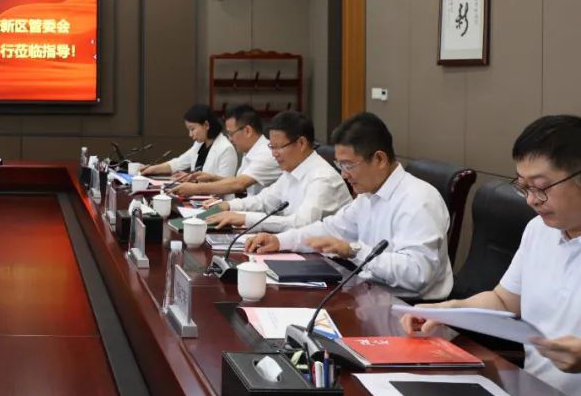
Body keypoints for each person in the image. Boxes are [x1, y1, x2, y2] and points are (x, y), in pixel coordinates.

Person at [402, 115, 581, 396]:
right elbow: (503, 301)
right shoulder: (538, 230)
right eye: (523, 187)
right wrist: (446, 310)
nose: (531, 200)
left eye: (541, 187)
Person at [245, 112, 452, 300]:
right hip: (369, 295)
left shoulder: (419, 200)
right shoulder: (367, 196)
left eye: (348, 165)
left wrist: (354, 251)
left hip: (410, 308)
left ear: (379, 159)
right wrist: (279, 241)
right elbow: (329, 229)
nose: (343, 174)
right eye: (339, 165)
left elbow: (417, 274)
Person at [204, 110, 351, 233]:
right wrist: (229, 206)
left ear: (301, 143)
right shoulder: (291, 171)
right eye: (271, 147)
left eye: (278, 147)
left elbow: (302, 224)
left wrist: (244, 218)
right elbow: (264, 201)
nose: (274, 154)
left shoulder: (323, 178)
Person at [170, 104, 281, 198]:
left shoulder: (266, 154)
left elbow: (239, 184)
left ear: (247, 131)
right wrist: (212, 178)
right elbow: (241, 184)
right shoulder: (250, 151)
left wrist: (196, 188)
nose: (230, 139)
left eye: (231, 134)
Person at [139, 104, 237, 180]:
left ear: (206, 125)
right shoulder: (199, 144)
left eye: (192, 129)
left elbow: (225, 185)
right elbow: (178, 163)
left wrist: (192, 180)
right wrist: (152, 169)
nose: (190, 134)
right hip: (198, 197)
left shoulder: (226, 149)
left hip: (217, 199)